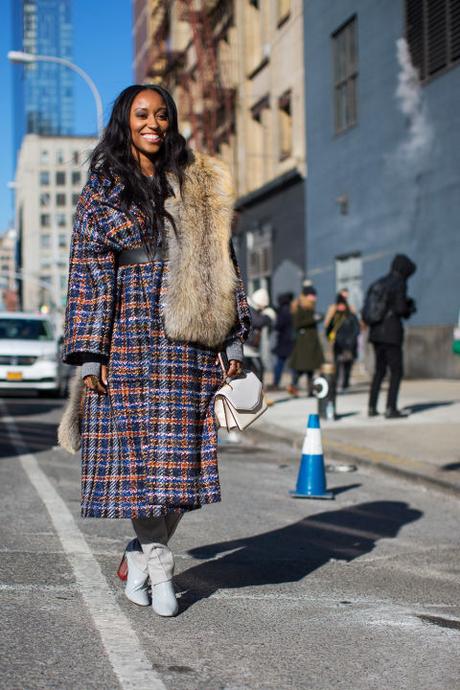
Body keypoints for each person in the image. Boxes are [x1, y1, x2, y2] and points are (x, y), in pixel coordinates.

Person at [62, 84, 250, 617]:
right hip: (127, 335)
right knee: (139, 463)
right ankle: (160, 562)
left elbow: (223, 262)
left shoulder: (195, 182)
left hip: (188, 335)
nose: (153, 122)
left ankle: (140, 553)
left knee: (182, 464)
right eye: (142, 114)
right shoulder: (103, 188)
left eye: (162, 114)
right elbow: (88, 274)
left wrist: (232, 338)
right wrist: (91, 354)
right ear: (126, 121)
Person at [366, 254, 417, 418]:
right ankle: (391, 408)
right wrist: (409, 308)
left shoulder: (379, 282)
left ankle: (372, 407)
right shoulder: (399, 283)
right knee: (396, 371)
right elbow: (401, 308)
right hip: (391, 334)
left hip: (375, 334)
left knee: (379, 371)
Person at [287, 285, 324, 396]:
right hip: (304, 342)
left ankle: (310, 390)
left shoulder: (309, 307)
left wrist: (317, 318)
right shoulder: (299, 307)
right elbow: (297, 323)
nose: (315, 298)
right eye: (312, 296)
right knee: (302, 368)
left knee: (310, 368)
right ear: (307, 296)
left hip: (310, 342)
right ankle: (293, 386)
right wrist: (313, 319)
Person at [326, 293, 360, 391]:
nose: (341, 307)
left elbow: (356, 329)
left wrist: (351, 340)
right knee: (337, 365)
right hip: (338, 345)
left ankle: (345, 384)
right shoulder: (335, 317)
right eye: (339, 305)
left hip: (349, 345)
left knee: (347, 366)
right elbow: (329, 329)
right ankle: (336, 384)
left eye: (342, 305)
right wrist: (330, 338)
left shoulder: (351, 316)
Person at [243, 288, 273, 382]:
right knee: (251, 373)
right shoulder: (249, 308)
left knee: (258, 370)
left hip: (252, 348)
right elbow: (258, 322)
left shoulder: (254, 309)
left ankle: (257, 392)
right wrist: (268, 317)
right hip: (246, 348)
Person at [272, 292, 294, 389]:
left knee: (280, 363)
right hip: (291, 340)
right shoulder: (291, 310)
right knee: (293, 363)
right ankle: (294, 383)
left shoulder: (282, 312)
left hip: (283, 341)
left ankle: (276, 382)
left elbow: (278, 326)